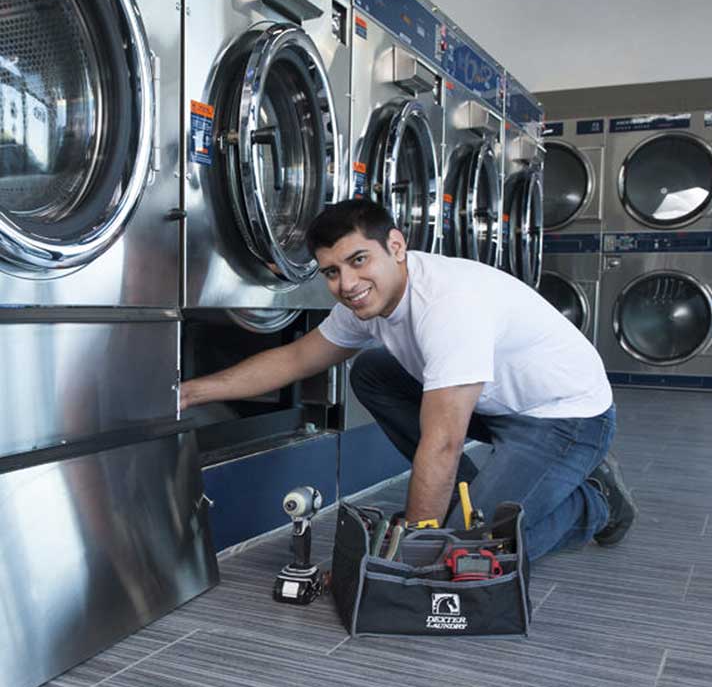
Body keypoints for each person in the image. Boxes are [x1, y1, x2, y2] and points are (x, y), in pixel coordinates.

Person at [180, 199, 636, 560]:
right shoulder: (371, 300)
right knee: (373, 373)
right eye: (332, 272)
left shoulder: (448, 305)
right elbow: (296, 358)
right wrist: (192, 392)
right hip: (498, 404)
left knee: (470, 555)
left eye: (359, 260)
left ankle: (597, 501)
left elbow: (442, 443)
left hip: (565, 417)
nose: (348, 283)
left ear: (396, 247)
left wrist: (417, 546)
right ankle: (467, 500)